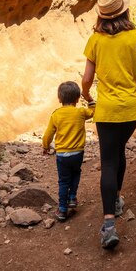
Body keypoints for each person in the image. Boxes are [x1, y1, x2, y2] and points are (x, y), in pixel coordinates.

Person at [82, 0, 136, 249]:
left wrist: (85, 94)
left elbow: (88, 77)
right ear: (124, 11)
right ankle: (116, 199)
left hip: (108, 110)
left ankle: (109, 224)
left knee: (109, 161)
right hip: (131, 110)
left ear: (102, 16)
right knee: (118, 151)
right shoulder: (135, 36)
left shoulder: (95, 40)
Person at [42, 81, 95, 222]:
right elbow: (93, 112)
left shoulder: (56, 115)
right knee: (76, 173)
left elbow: (48, 135)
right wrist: (90, 99)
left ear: (59, 99)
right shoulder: (81, 112)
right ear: (77, 99)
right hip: (77, 153)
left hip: (62, 155)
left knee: (63, 181)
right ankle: (72, 197)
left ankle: (62, 209)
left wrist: (45, 146)